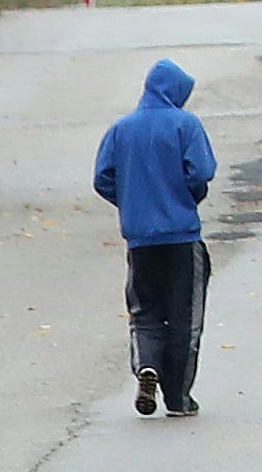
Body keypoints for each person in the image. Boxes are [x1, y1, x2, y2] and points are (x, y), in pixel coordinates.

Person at [89, 58, 218, 418]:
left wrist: (131, 200)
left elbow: (103, 178)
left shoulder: (120, 129)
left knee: (144, 312)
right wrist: (186, 195)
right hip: (181, 237)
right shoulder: (186, 125)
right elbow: (202, 171)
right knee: (184, 318)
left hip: (140, 240)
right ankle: (178, 397)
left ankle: (147, 366)